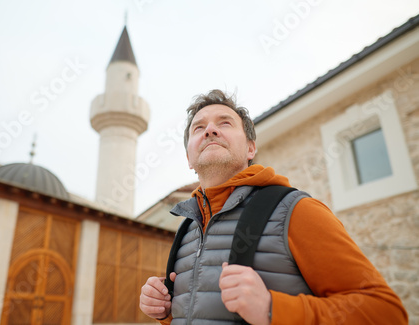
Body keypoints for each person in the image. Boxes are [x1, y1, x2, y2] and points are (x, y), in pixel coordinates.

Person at [139, 89, 408, 325]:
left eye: (225, 123)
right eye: (198, 128)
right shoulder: (186, 229)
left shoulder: (296, 210)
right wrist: (167, 314)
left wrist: (273, 309)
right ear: (189, 157)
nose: (210, 130)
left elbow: (386, 313)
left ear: (250, 148)